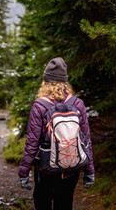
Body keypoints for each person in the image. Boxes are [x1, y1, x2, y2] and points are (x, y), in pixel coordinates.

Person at [18, 57, 95, 210]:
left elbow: (32, 144)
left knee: (42, 203)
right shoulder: (77, 104)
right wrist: (89, 171)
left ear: (45, 82)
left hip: (46, 169)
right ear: (65, 82)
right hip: (72, 169)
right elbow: (86, 140)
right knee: (65, 204)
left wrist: (24, 172)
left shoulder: (39, 106)